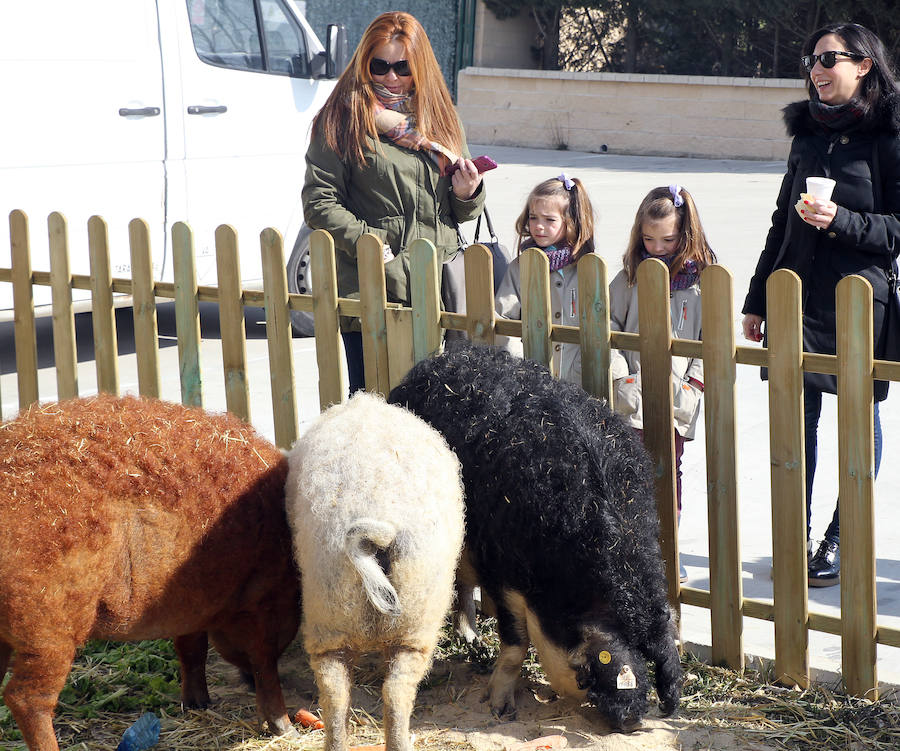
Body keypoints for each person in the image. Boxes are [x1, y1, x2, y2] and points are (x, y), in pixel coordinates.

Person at [741, 22, 900, 587]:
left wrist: (845, 222)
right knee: (795, 420)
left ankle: (841, 533)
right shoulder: (807, 132)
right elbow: (781, 218)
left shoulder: (888, 135)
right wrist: (758, 296)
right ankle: (796, 533)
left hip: (859, 302)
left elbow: (898, 227)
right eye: (811, 59)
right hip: (796, 293)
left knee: (858, 419)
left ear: (864, 65)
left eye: (829, 58)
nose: (816, 68)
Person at [302, 11, 485, 393]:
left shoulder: (442, 118)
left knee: (439, 413)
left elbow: (459, 212)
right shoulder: (341, 119)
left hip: (440, 289)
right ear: (364, 62)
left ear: (419, 66)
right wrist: (375, 247)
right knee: (376, 409)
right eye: (379, 65)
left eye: (402, 67)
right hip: (373, 285)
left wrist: (467, 193)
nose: (390, 77)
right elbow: (320, 201)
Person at [609, 185, 717, 583]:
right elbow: (609, 327)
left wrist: (693, 384)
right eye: (649, 239)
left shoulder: (702, 286)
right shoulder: (627, 281)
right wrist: (622, 376)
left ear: (686, 235)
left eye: (668, 239)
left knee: (668, 471)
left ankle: (665, 547)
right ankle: (631, 547)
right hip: (632, 394)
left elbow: (710, 342)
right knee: (627, 469)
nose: (656, 247)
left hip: (676, 396)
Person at [494, 174, 596, 383]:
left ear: (572, 222)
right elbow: (503, 319)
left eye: (549, 220)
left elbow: (604, 322)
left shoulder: (588, 267)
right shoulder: (519, 268)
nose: (539, 226)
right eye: (533, 217)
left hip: (578, 378)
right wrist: (519, 365)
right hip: (532, 376)